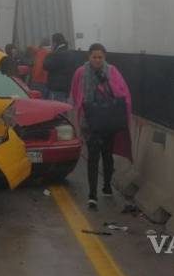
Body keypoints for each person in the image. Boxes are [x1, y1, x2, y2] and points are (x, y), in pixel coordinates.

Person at [70, 43, 133, 211]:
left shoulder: (112, 71)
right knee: (93, 156)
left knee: (107, 155)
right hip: (89, 121)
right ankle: (92, 195)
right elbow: (75, 95)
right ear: (88, 57)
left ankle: (106, 185)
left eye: (100, 57)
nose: (97, 60)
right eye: (94, 57)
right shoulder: (81, 73)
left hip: (108, 120)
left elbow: (123, 92)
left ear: (104, 57)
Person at [43, 33, 79, 102]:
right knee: (62, 109)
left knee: (55, 111)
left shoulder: (56, 55)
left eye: (52, 43)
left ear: (55, 43)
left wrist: (50, 53)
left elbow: (45, 65)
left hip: (56, 90)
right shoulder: (70, 54)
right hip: (67, 89)